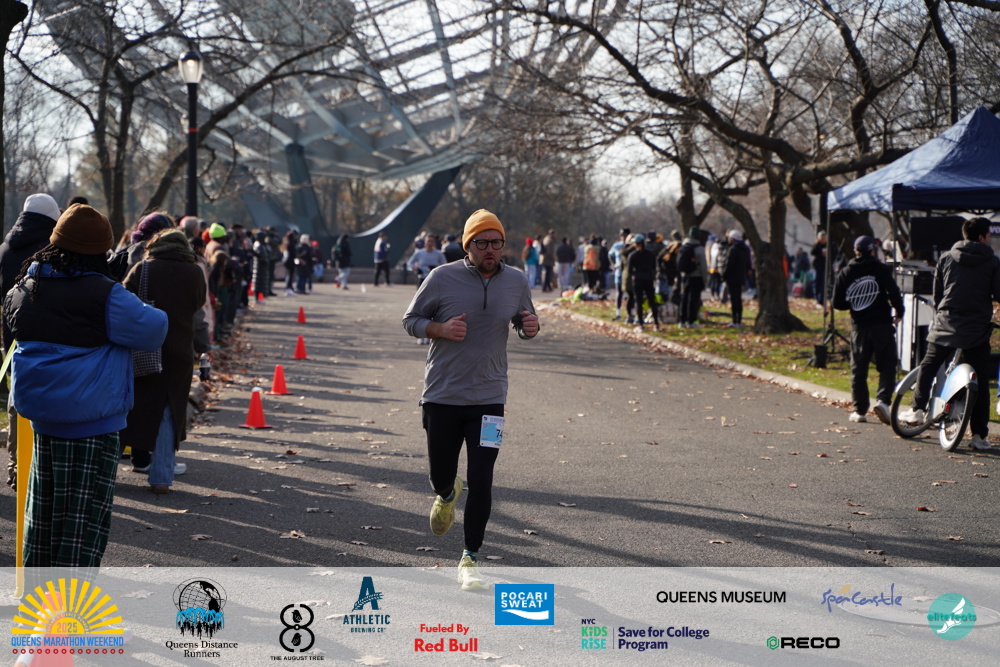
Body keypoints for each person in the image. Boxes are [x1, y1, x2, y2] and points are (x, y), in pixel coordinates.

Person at [3, 204, 168, 567]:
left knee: (42, 517)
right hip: (94, 421)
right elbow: (154, 328)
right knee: (83, 524)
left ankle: (40, 597)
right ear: (100, 251)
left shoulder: (26, 285)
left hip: (42, 420)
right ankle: (70, 601)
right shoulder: (104, 294)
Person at [402, 209, 538, 590]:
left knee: (482, 478)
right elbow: (410, 320)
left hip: (490, 398)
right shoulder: (441, 278)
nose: (490, 249)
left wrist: (530, 327)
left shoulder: (516, 280)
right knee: (440, 475)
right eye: (482, 242)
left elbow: (524, 319)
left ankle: (469, 557)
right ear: (468, 245)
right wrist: (439, 328)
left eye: (497, 242)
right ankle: (447, 493)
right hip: (442, 395)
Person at [899, 217, 1000, 450]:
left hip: (946, 323)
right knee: (980, 381)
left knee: (929, 364)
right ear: (982, 237)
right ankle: (978, 435)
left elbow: (938, 294)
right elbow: (998, 294)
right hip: (976, 328)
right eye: (989, 236)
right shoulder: (993, 262)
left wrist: (943, 313)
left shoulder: (946, 257)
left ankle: (917, 410)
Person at [120, 229, 207, 493]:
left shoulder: (143, 268)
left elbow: (123, 302)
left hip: (145, 348)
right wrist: (203, 348)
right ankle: (161, 478)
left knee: (130, 407)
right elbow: (198, 310)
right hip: (180, 352)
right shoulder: (195, 273)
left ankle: (107, 471)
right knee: (170, 412)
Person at [0, 193, 62, 491]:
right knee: (46, 400)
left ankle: (15, 465)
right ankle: (39, 467)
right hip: (47, 333)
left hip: (12, 332)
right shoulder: (51, 250)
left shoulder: (4, 249)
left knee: (16, 398)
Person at [833, 235, 904, 424]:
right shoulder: (881, 269)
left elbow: (837, 303)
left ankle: (860, 410)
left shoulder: (846, 272)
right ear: (872, 250)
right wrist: (899, 311)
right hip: (882, 323)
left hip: (860, 326)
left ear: (855, 251)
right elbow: (893, 291)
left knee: (859, 369)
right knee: (888, 365)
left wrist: (854, 303)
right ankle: (883, 401)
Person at [677, 226, 709, 328]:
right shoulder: (699, 248)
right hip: (697, 276)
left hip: (685, 275)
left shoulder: (684, 246)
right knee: (693, 299)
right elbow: (703, 266)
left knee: (684, 298)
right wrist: (705, 279)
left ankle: (682, 320)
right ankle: (691, 321)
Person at [627, 234, 659, 332]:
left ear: (636, 243)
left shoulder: (633, 255)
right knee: (652, 301)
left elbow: (629, 270)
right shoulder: (650, 254)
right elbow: (654, 267)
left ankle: (641, 324)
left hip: (638, 279)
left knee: (639, 302)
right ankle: (656, 324)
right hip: (649, 279)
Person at [721, 230, 752, 327]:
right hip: (741, 277)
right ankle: (739, 320)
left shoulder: (733, 249)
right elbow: (748, 264)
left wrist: (724, 275)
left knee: (733, 299)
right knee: (738, 299)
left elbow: (729, 264)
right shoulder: (746, 249)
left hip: (732, 278)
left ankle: (735, 320)